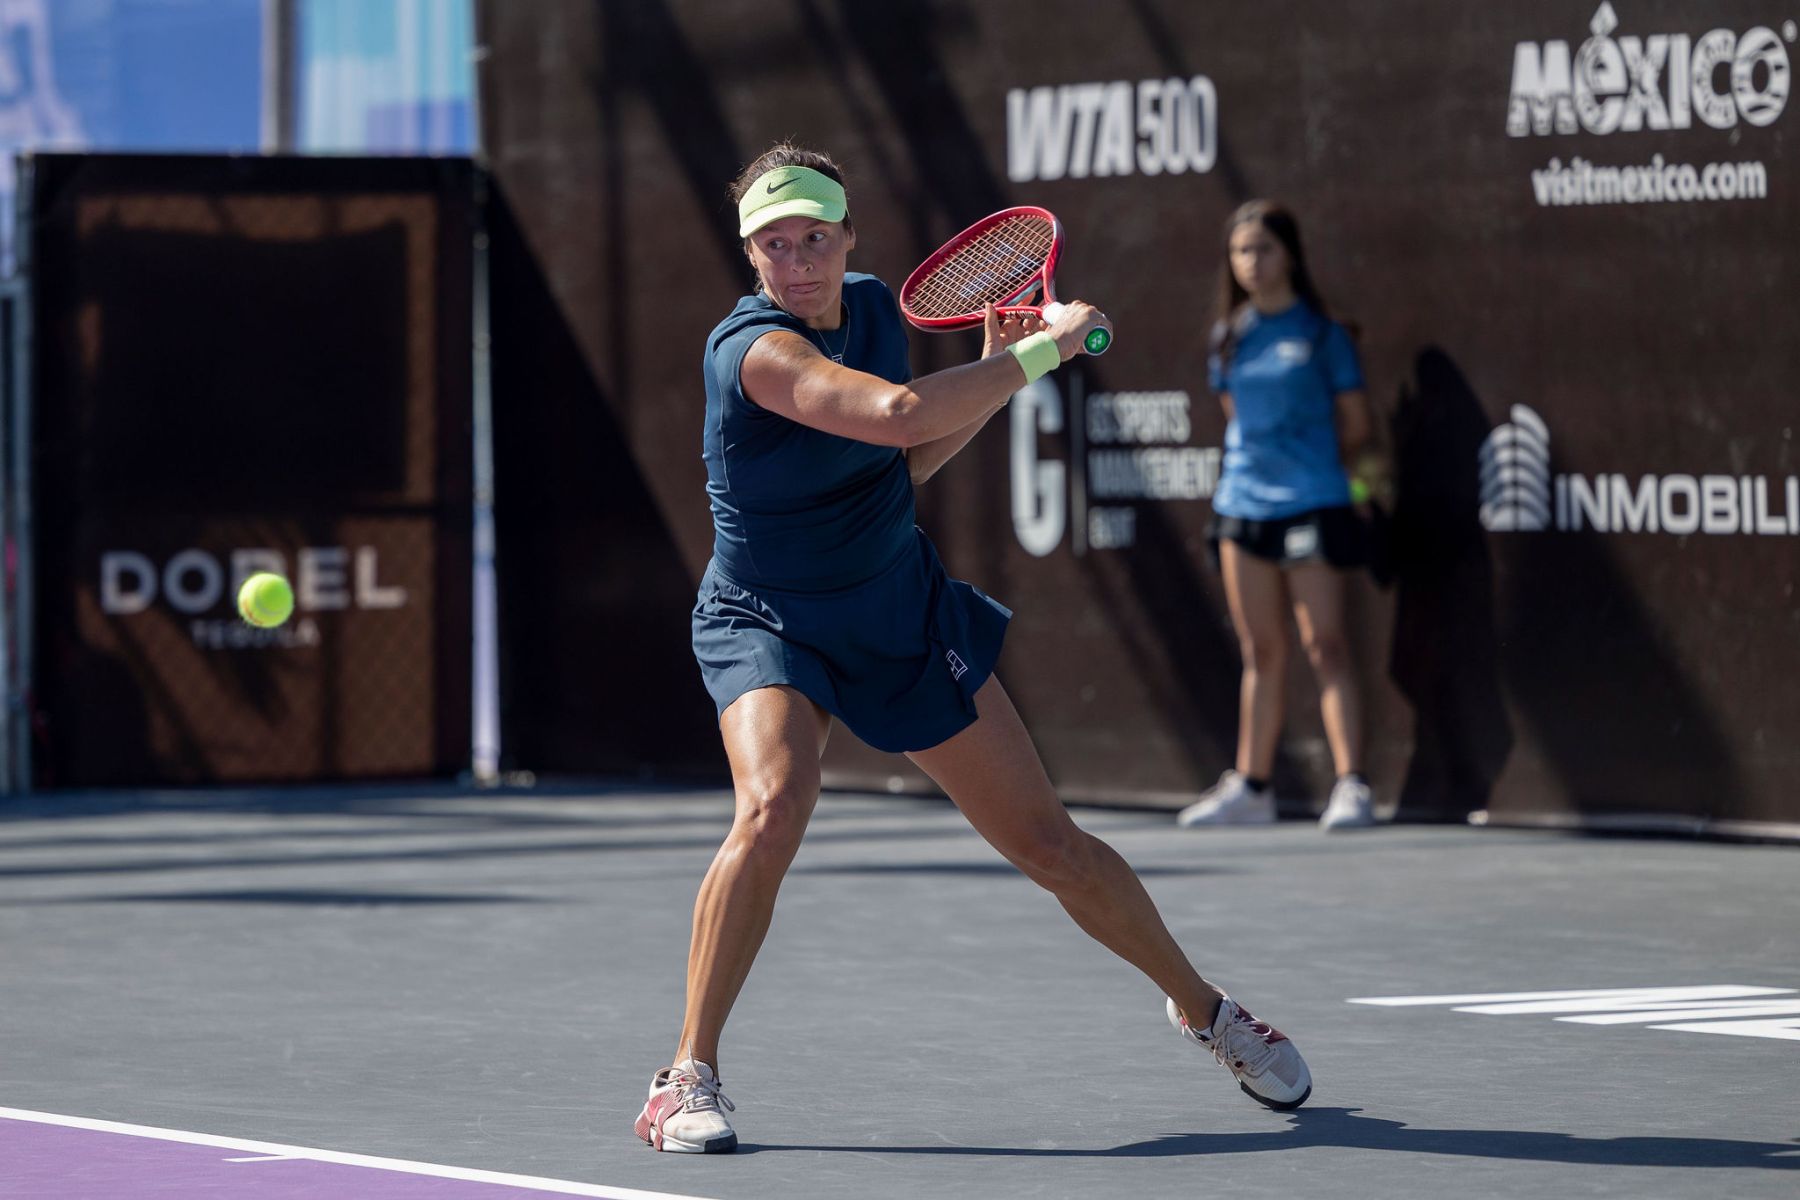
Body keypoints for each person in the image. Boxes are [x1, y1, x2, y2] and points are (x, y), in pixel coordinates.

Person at [634, 144, 1312, 1154]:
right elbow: (897, 413)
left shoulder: (871, 309)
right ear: (751, 255)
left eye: (814, 237)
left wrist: (998, 377)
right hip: (766, 617)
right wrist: (1044, 351)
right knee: (774, 804)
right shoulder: (752, 352)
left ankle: (1208, 1011)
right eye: (774, 244)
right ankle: (686, 1075)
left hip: (896, 611)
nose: (797, 260)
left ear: (848, 236)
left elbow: (904, 463)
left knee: (1051, 846)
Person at [1177, 200, 1381, 833]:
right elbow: (1237, 419)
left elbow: (1357, 425)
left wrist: (1314, 467)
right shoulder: (1228, 337)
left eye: (1264, 248)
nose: (1252, 262)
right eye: (1241, 251)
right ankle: (1254, 788)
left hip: (1313, 501)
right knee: (1261, 650)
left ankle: (1351, 786)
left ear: (1289, 255)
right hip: (1242, 507)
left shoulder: (1323, 335)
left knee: (1326, 645)